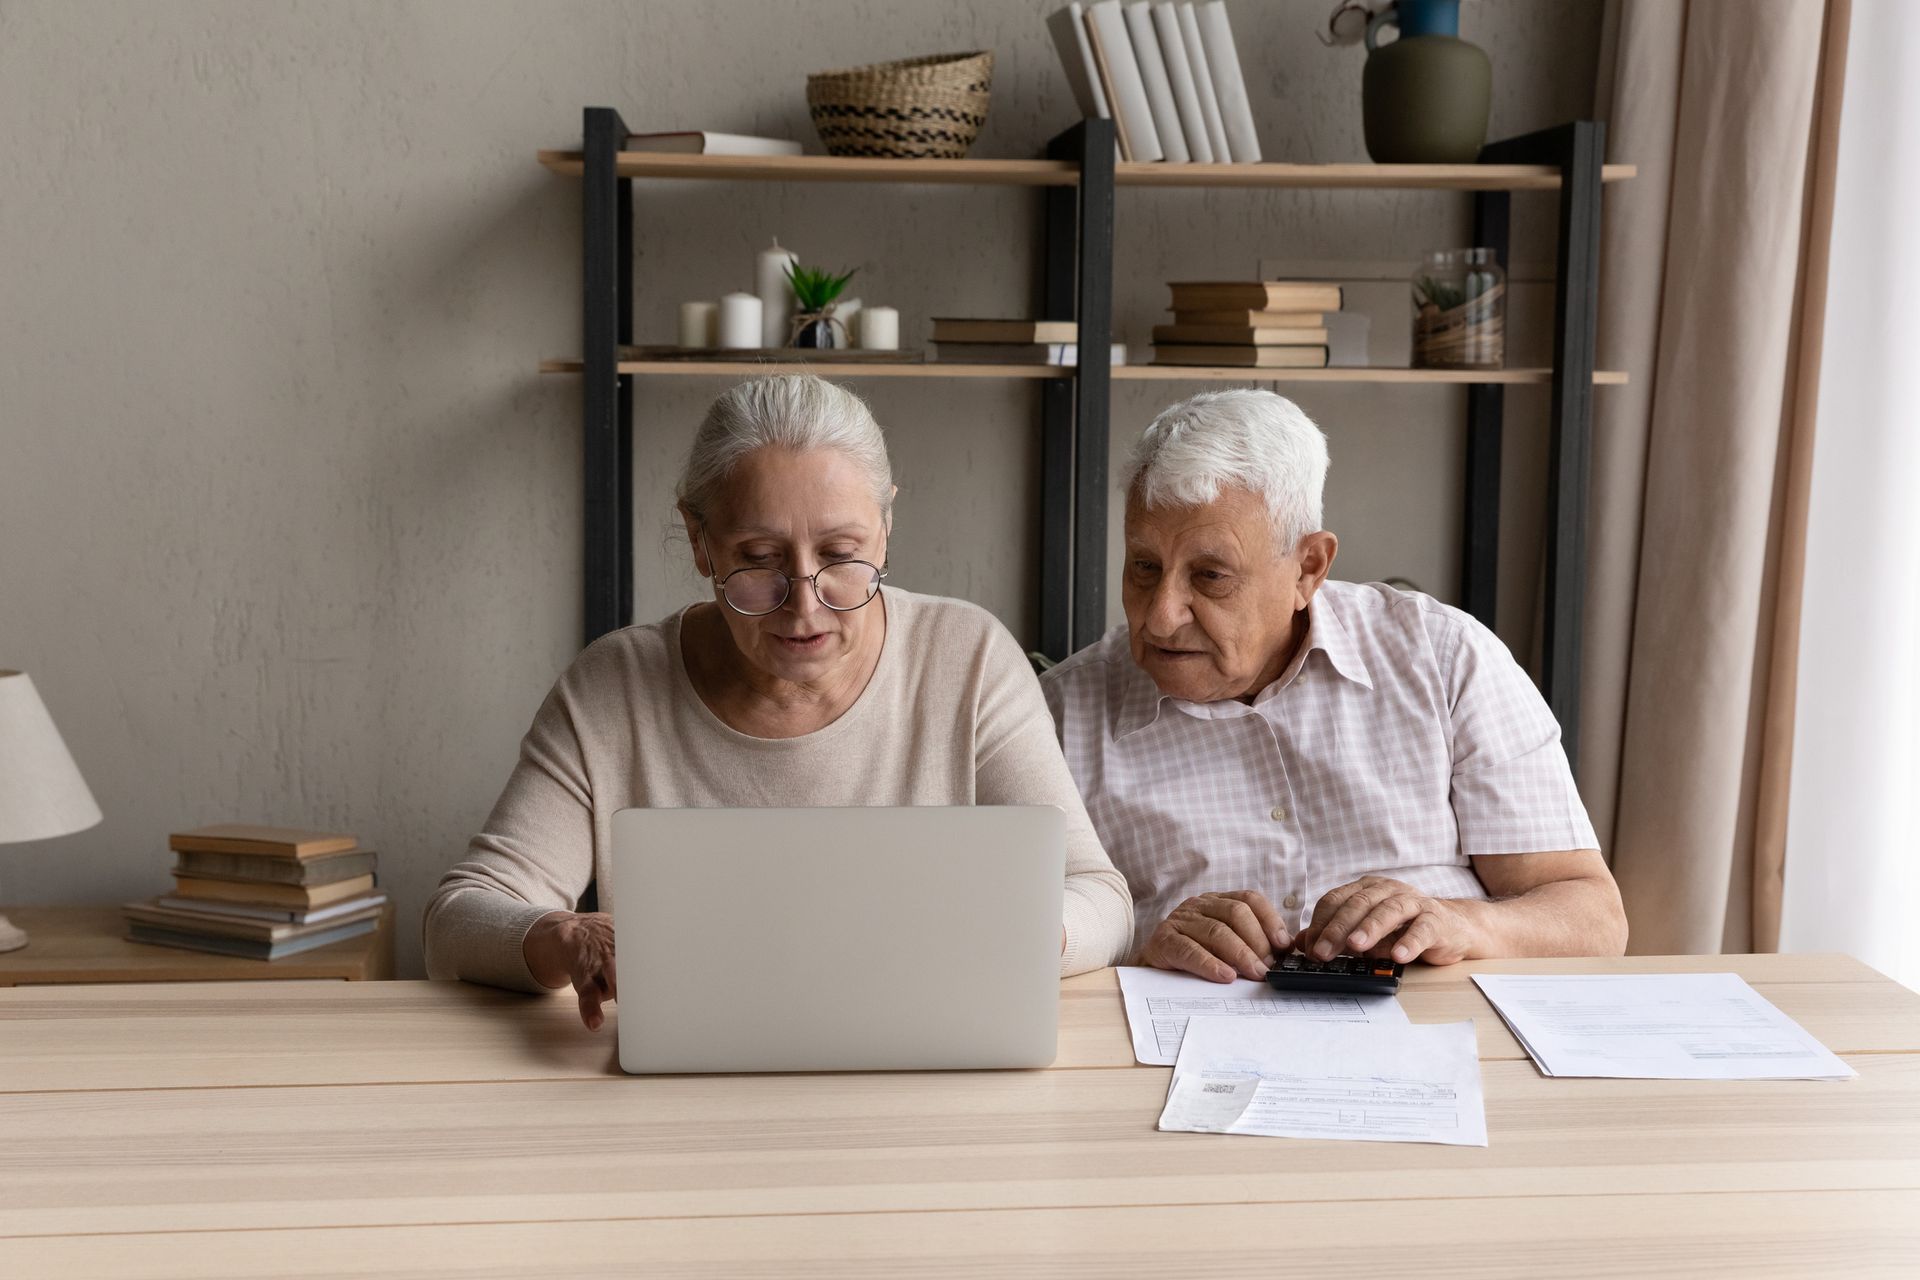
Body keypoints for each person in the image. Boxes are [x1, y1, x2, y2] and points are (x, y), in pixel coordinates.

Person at [425, 374, 1133, 1027]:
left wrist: (1022, 936)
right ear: (701, 541)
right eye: (759, 560)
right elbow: (456, 920)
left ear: (885, 528)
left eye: (841, 553)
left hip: (920, 1072)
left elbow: (1098, 894)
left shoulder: (966, 657)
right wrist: (562, 935)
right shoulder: (615, 688)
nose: (805, 606)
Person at [1041, 388, 1627, 984]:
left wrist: (1464, 924)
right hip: (1181, 1056)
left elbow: (1593, 920)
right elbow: (1011, 944)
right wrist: (1141, 958)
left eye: (1210, 576)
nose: (1161, 615)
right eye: (1144, 567)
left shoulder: (1442, 656)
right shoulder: (1059, 716)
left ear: (1308, 568)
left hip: (1441, 1040)